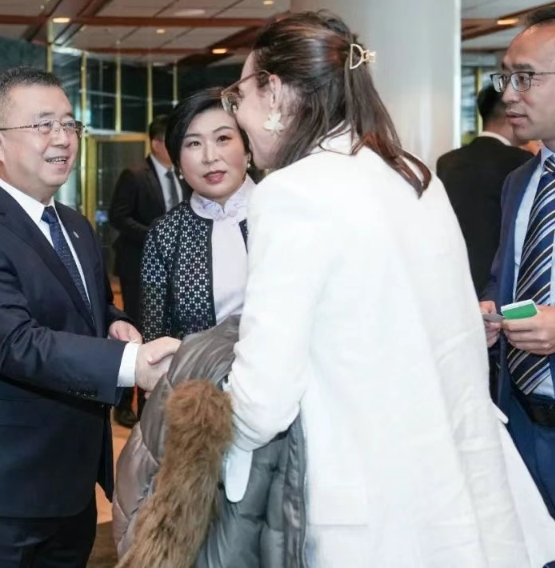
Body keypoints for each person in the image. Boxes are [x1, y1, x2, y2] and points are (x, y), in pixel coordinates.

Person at [222, 11, 551, 566]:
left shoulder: (290, 193)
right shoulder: (414, 175)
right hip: (458, 496)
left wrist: (202, 416)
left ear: (274, 92)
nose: (238, 116)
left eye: (240, 95)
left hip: (371, 514)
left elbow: (263, 401)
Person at [0, 66, 180, 568]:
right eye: (43, 125)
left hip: (71, 482)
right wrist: (130, 363)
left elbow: (84, 305)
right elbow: (15, 343)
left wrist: (112, 322)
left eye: (69, 124)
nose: (63, 138)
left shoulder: (74, 225)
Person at [482, 5, 555, 520]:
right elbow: (503, 280)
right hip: (522, 422)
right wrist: (488, 310)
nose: (508, 94)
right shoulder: (519, 183)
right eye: (505, 76)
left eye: (525, 78)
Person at [141, 88, 255, 343]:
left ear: (248, 149)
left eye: (223, 138)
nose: (210, 157)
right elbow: (154, 338)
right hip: (195, 369)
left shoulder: (284, 215)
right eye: (193, 143)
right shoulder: (166, 234)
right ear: (178, 163)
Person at [108, 115, 191, 427]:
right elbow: (119, 217)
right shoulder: (134, 175)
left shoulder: (183, 175)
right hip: (138, 268)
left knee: (164, 331)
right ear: (156, 143)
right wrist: (157, 238)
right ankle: (123, 403)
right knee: (135, 331)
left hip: (174, 270)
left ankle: (154, 402)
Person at [437, 84, 533, 297]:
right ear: (509, 115)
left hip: (455, 278)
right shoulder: (522, 163)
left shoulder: (447, 162)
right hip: (500, 283)